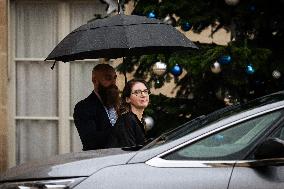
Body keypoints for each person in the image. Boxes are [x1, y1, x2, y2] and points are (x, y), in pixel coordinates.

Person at [73, 64, 119, 151]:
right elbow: (91, 141)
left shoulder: (119, 105)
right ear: (95, 80)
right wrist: (121, 129)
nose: (113, 83)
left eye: (114, 78)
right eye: (108, 78)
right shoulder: (83, 107)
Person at [108, 79, 150, 149]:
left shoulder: (139, 120)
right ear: (128, 99)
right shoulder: (126, 120)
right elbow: (130, 153)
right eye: (137, 92)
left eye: (145, 91)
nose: (143, 95)